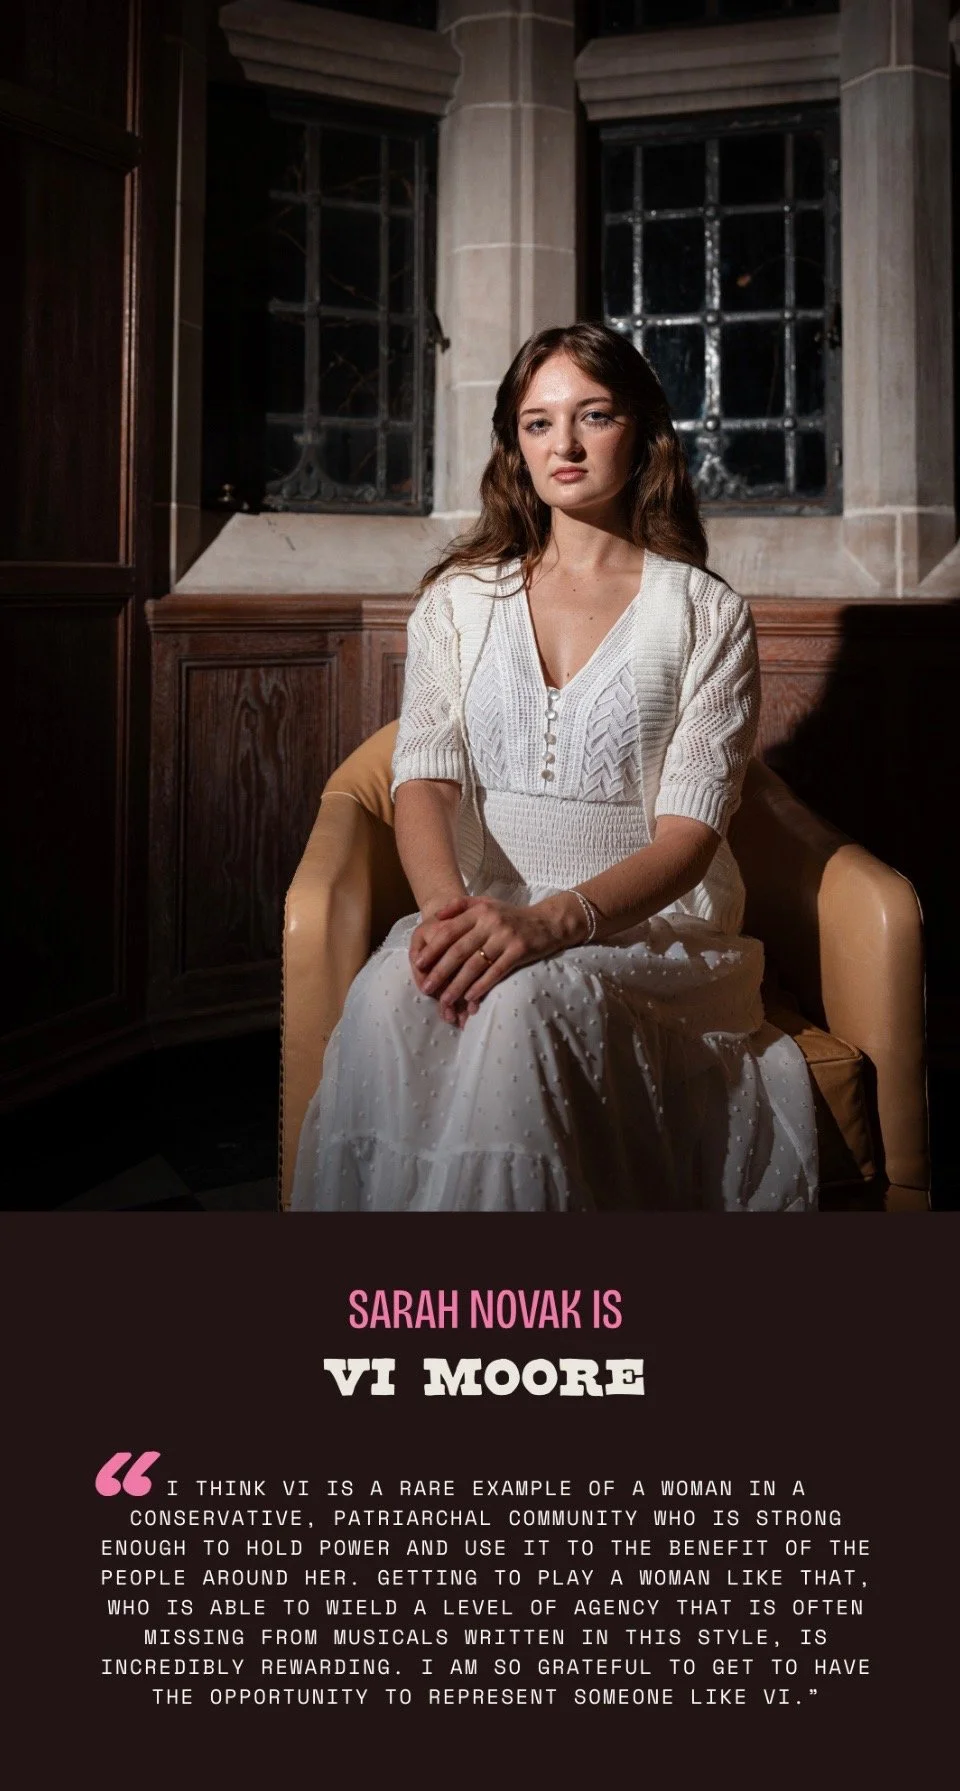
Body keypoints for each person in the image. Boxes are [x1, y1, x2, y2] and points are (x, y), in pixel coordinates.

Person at [291, 323, 818, 1213]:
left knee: (521, 1009)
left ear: (642, 432)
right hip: (482, 903)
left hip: (643, 930)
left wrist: (554, 923)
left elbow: (691, 835)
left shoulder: (706, 613)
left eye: (593, 415)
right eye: (538, 423)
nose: (563, 445)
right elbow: (423, 776)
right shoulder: (458, 600)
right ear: (514, 445)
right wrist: (446, 919)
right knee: (389, 994)